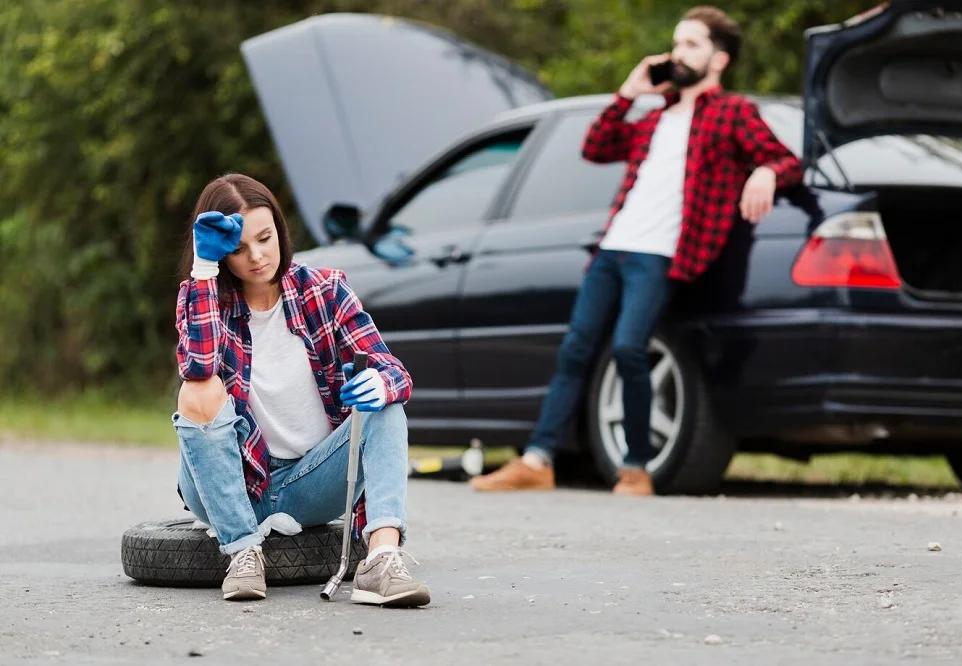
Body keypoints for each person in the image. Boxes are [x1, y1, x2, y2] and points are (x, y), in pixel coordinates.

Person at [471, 6, 802, 496]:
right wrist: (628, 94)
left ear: (719, 59)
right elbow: (596, 147)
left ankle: (637, 467)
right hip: (612, 249)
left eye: (691, 44)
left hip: (660, 254)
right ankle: (538, 460)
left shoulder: (733, 112)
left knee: (629, 348)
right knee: (575, 350)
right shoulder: (655, 116)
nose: (677, 52)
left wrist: (767, 171)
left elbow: (787, 160)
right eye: (676, 43)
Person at [172, 173, 430, 606]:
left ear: (279, 229)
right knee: (196, 390)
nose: (256, 256)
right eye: (238, 249)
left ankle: (381, 561)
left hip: (310, 482)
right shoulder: (204, 296)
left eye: (265, 238)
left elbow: (394, 371)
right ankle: (242, 551)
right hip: (234, 484)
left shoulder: (325, 290)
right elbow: (198, 366)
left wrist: (380, 382)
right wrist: (203, 270)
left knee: (386, 405)